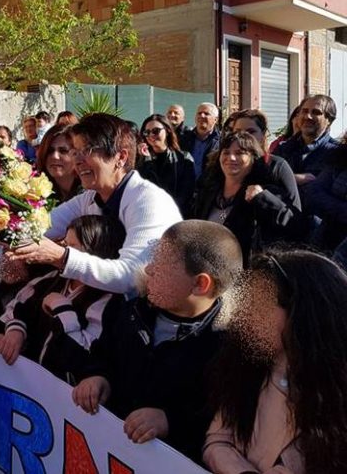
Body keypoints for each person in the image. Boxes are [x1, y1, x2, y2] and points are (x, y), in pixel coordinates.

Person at [72, 220, 244, 462]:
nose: (150, 269)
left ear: (200, 284)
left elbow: (219, 420)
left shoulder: (228, 349)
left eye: (163, 265)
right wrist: (97, 376)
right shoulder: (130, 311)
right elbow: (103, 354)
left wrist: (170, 421)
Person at [203, 248, 347, 474]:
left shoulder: (334, 392)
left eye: (262, 306)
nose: (247, 316)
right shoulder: (246, 363)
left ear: (303, 314)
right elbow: (218, 439)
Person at [10, 113, 182, 295]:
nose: (77, 160)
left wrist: (61, 256)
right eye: (75, 152)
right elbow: (39, 228)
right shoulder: (90, 198)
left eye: (87, 150)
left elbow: (133, 277)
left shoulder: (149, 201)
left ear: (121, 157)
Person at [0, 215, 125, 383]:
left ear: (95, 252)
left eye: (73, 247)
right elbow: (18, 308)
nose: (64, 251)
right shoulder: (51, 280)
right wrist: (12, 331)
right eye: (64, 244)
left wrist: (62, 310)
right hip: (29, 384)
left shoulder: (107, 301)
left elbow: (83, 357)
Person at [192, 131, 301, 263]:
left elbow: (293, 225)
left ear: (253, 158)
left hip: (243, 271)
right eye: (226, 152)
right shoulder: (209, 191)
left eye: (239, 153)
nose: (231, 158)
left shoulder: (264, 192)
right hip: (205, 266)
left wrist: (263, 199)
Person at [273, 94, 339, 189]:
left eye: (316, 112)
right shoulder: (283, 149)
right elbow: (265, 178)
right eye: (304, 111)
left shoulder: (336, 154)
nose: (308, 116)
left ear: (329, 120)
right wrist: (292, 179)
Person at [136, 113, 195, 216]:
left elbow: (186, 193)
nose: (151, 136)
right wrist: (145, 160)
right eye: (147, 132)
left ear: (167, 131)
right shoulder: (140, 159)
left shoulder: (183, 158)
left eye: (156, 131)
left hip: (175, 215)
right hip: (147, 213)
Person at [35, 124, 81, 203]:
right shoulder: (37, 193)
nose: (55, 156)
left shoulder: (89, 193)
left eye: (63, 151)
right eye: (50, 151)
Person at [181, 102, 221, 178]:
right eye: (199, 113)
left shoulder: (222, 140)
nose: (201, 116)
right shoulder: (184, 138)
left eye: (206, 113)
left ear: (215, 119)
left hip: (209, 187)